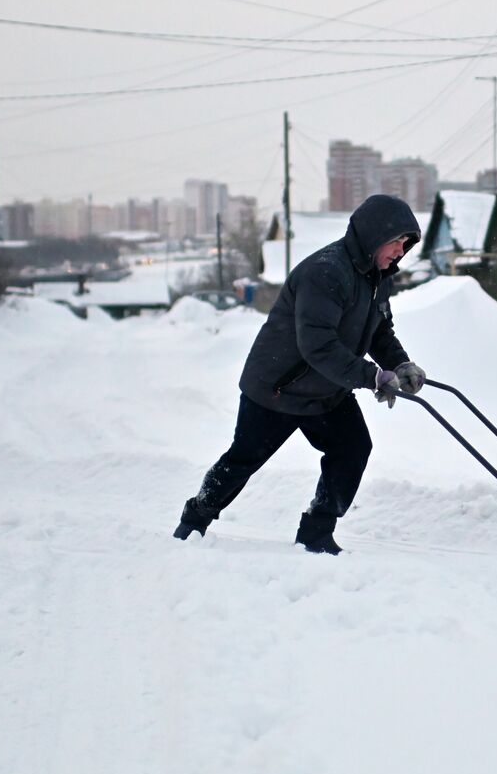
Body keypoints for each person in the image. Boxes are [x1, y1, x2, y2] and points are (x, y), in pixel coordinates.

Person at [172, 193, 426, 554]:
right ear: (373, 236)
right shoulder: (326, 271)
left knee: (353, 448)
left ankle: (317, 533)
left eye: (406, 244)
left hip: (327, 391)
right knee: (243, 459)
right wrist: (371, 377)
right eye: (397, 241)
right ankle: (194, 520)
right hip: (277, 388)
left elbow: (379, 330)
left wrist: (399, 364)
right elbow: (317, 345)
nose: (401, 251)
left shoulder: (377, 277)